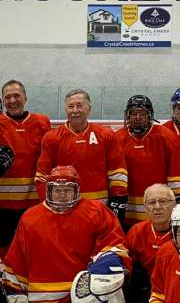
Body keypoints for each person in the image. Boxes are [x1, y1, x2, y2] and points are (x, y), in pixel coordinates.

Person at [3, 166, 130, 303]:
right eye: (57, 190)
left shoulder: (96, 212)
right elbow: (17, 259)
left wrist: (105, 262)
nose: (63, 194)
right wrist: (14, 292)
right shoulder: (30, 218)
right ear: (48, 190)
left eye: (68, 190)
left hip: (84, 295)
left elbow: (114, 243)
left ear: (77, 190)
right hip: (45, 302)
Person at [0, 79, 50, 250]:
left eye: (16, 95)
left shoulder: (42, 123)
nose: (12, 100)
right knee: (1, 249)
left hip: (32, 201)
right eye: (7, 97)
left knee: (30, 247)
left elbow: (48, 159)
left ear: (25, 97)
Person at [35, 89, 127, 221]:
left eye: (79, 105)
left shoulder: (106, 135)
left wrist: (117, 200)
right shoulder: (51, 138)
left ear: (89, 109)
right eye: (70, 106)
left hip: (100, 207)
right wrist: (49, 204)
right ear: (65, 109)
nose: (75, 110)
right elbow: (42, 177)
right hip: (64, 207)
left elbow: (118, 172)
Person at [115, 94, 180, 226]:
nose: (137, 118)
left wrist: (178, 194)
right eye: (133, 114)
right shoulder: (117, 138)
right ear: (127, 116)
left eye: (142, 114)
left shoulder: (166, 136)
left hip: (158, 205)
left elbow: (176, 169)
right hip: (127, 206)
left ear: (150, 116)